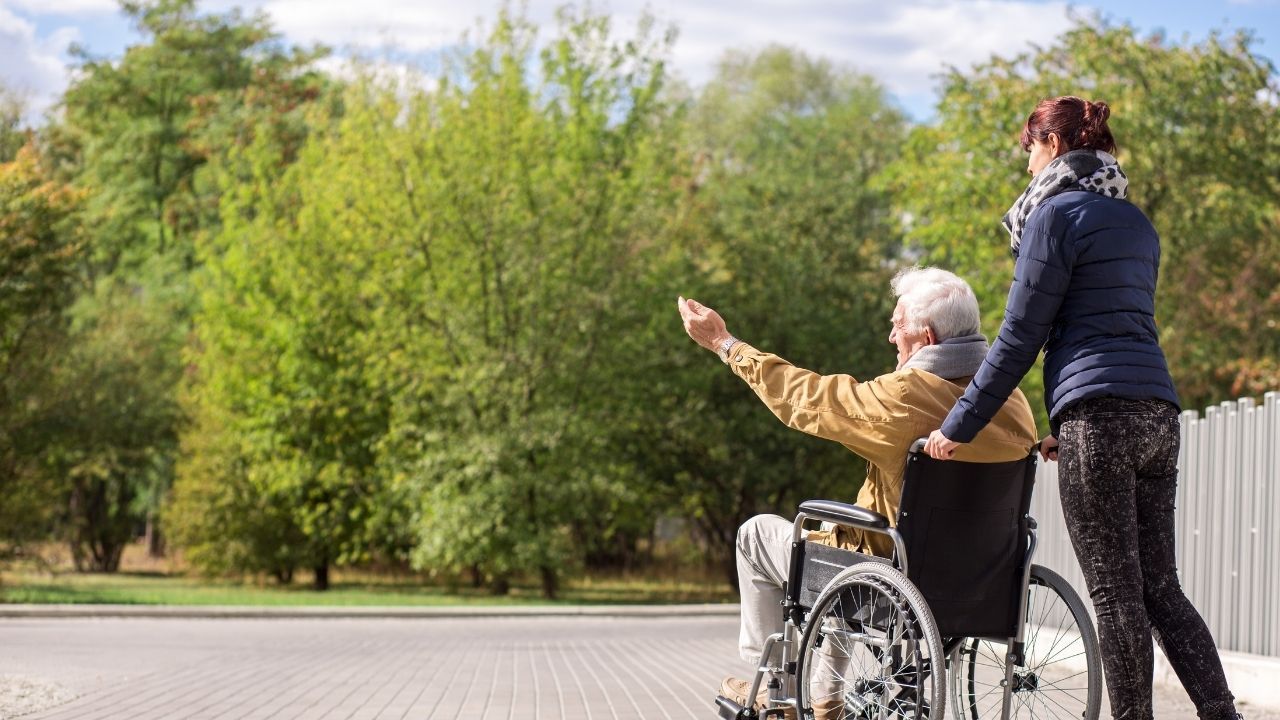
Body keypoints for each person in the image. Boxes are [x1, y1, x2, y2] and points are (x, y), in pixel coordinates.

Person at [923, 96, 1241, 720]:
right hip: (1156, 413)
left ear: (1053, 146)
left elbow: (1020, 336)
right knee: (1160, 589)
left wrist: (957, 426)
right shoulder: (1136, 222)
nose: (1027, 168)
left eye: (1030, 151)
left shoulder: (1054, 217)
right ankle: (1222, 713)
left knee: (1116, 594)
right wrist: (1065, 425)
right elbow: (1114, 326)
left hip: (1099, 417)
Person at [677, 267, 1037, 718]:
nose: (891, 336)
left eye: (897, 323)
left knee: (761, 535)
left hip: (896, 580)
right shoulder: (1014, 403)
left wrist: (725, 345)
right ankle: (826, 696)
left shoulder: (903, 397)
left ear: (925, 337)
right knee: (847, 535)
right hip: (982, 581)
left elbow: (807, 398)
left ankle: (779, 689)